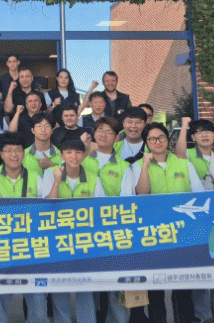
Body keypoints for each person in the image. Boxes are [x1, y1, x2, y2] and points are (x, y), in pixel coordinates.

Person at [0, 133, 48, 323]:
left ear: (24, 153)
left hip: (29, 246)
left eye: (18, 150)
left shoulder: (35, 177)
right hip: (0, 247)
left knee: (38, 303)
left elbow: (48, 207)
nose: (14, 155)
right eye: (9, 150)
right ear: (2, 154)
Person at [133, 122, 203, 323]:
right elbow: (141, 194)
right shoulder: (136, 166)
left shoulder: (184, 164)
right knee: (155, 287)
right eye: (152, 139)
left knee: (183, 286)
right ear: (146, 143)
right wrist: (145, 166)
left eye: (161, 137)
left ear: (168, 139)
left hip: (183, 233)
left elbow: (199, 195)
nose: (158, 142)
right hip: (153, 234)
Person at [175, 118, 214, 323]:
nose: (205, 135)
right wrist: (184, 126)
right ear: (193, 137)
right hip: (198, 222)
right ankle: (201, 315)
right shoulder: (187, 157)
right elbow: (179, 153)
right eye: (199, 132)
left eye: (209, 131)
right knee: (201, 269)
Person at [40, 139, 104, 323]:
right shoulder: (50, 174)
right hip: (57, 240)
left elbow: (101, 209)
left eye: (78, 152)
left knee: (85, 288)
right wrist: (57, 181)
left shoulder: (93, 177)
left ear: (83, 155)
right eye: (68, 152)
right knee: (59, 288)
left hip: (85, 241)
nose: (73, 157)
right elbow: (47, 207)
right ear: (61, 155)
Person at [80, 118, 133, 323]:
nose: (103, 134)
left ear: (116, 137)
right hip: (85, 230)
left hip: (114, 230)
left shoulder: (124, 166)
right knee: (86, 282)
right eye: (100, 130)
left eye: (109, 131)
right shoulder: (81, 160)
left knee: (116, 282)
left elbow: (127, 200)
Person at [21, 112, 61, 178]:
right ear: (32, 130)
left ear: (52, 130)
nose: (43, 130)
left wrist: (51, 164)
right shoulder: (23, 155)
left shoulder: (62, 155)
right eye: (39, 126)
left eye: (47, 126)